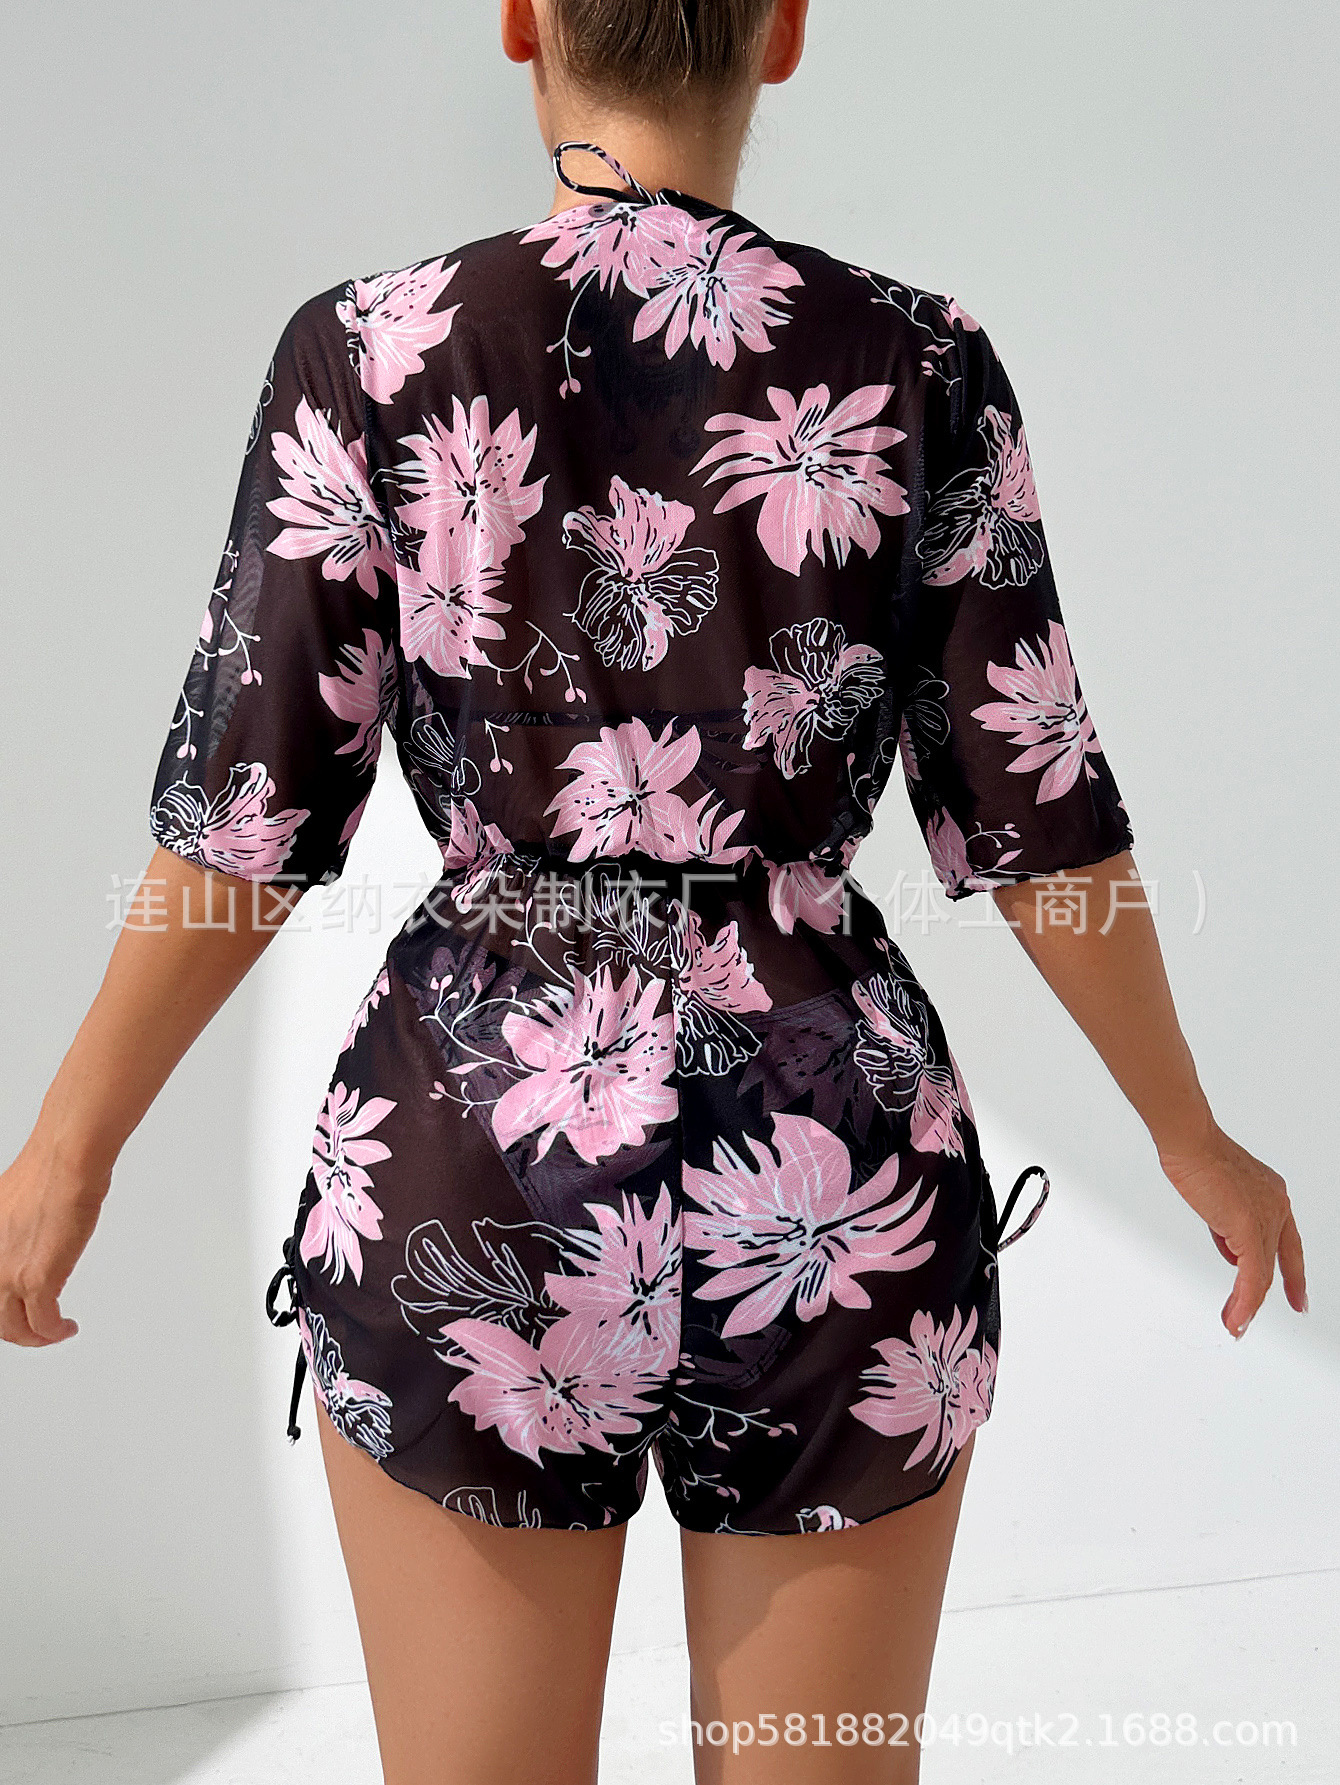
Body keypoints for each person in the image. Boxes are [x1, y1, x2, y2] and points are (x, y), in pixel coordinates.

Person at [0, 2, 1307, 1781]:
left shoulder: (369, 351)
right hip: (831, 1175)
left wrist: (68, 1147)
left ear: (523, 19)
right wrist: (1188, 1130)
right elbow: (1038, 809)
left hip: (475, 1154)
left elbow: (248, 810)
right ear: (783, 32)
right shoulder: (918, 358)